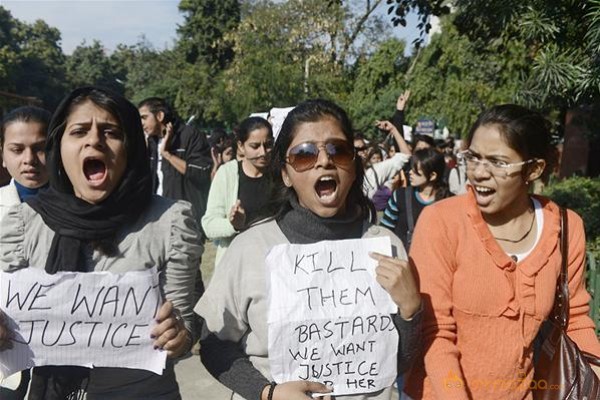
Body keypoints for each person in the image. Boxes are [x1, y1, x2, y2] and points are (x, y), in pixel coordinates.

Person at [195, 99, 422, 400]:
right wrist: (267, 393)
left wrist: (411, 312)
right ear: (286, 174)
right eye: (304, 154)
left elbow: (398, 361)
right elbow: (213, 345)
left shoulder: (386, 247)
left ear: (354, 166)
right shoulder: (251, 248)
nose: (324, 161)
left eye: (338, 150)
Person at [0, 87, 202, 400]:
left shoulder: (171, 222)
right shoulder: (23, 224)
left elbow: (185, 328)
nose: (94, 140)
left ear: (131, 147)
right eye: (79, 131)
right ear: (60, 147)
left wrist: (178, 336)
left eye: (110, 132)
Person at [404, 104, 600, 399]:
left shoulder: (566, 227)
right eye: (474, 158)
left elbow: (574, 319)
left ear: (533, 169)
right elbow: (436, 334)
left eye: (498, 162)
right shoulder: (441, 222)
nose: (479, 173)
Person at [0, 106, 51, 399]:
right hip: (8, 369)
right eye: (17, 149)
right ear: (3, 155)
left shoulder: (88, 212)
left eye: (40, 148)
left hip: (71, 364)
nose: (29, 160)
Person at [202, 116, 274, 267]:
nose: (263, 152)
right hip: (238, 265)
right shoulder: (227, 174)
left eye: (268, 145)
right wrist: (233, 225)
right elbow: (209, 224)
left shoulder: (282, 175)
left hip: (274, 265)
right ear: (241, 146)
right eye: (255, 146)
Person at [138, 97, 212, 234]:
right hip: (154, 217)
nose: (141, 123)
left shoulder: (189, 136)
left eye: (144, 117)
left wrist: (167, 154)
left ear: (159, 116)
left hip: (184, 219)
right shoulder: (150, 142)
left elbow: (201, 174)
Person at [380, 148, 451, 250]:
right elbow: (384, 231)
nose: (410, 173)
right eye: (411, 168)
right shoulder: (400, 196)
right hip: (402, 259)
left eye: (416, 171)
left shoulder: (449, 201)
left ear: (432, 176)